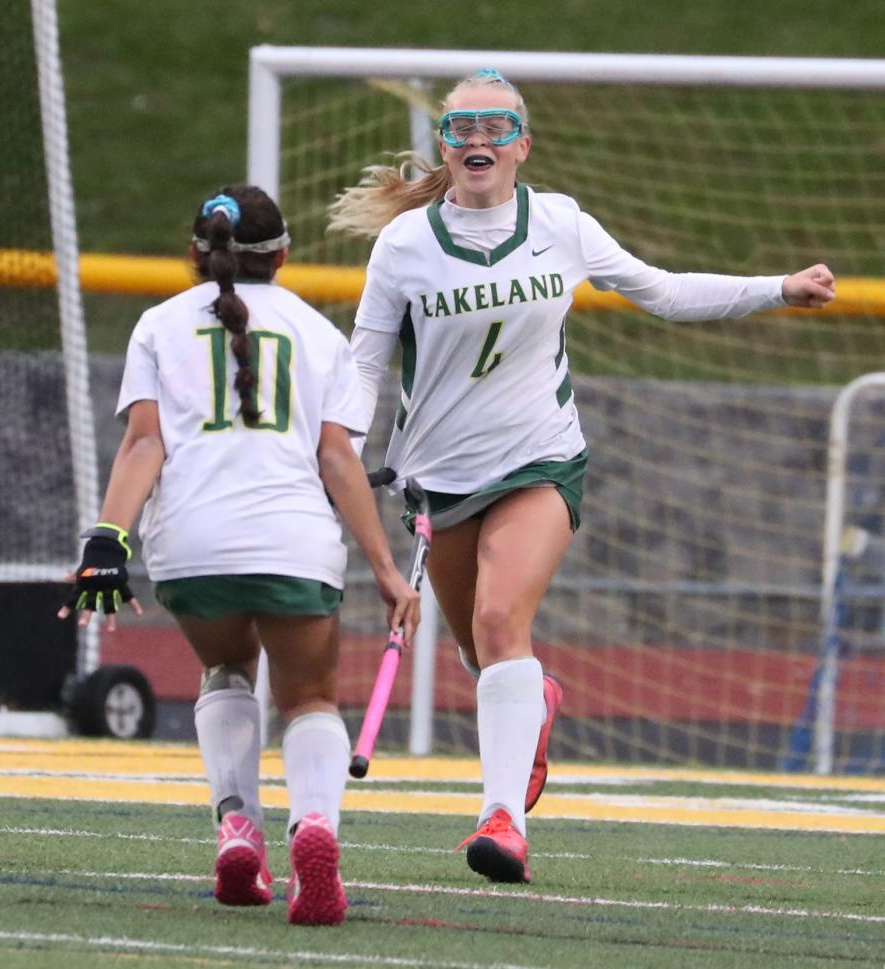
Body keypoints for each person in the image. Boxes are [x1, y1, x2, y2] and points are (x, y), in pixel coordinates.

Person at [329, 68, 836, 885]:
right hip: (442, 477)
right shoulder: (405, 245)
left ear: (524, 144)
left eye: (497, 126)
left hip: (540, 458)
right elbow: (362, 367)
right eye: (461, 128)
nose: (479, 140)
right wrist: (336, 450)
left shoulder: (560, 223)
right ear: (445, 148)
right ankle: (536, 702)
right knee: (485, 653)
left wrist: (776, 288)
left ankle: (502, 820)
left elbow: (663, 292)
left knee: (500, 619)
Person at [59, 184, 421, 926]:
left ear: (196, 254)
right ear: (284, 255)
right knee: (311, 698)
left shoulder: (158, 325)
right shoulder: (321, 335)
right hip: (293, 543)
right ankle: (314, 828)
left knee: (225, 670)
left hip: (190, 546)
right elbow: (338, 462)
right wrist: (387, 569)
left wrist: (107, 538)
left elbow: (144, 443)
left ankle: (238, 829)